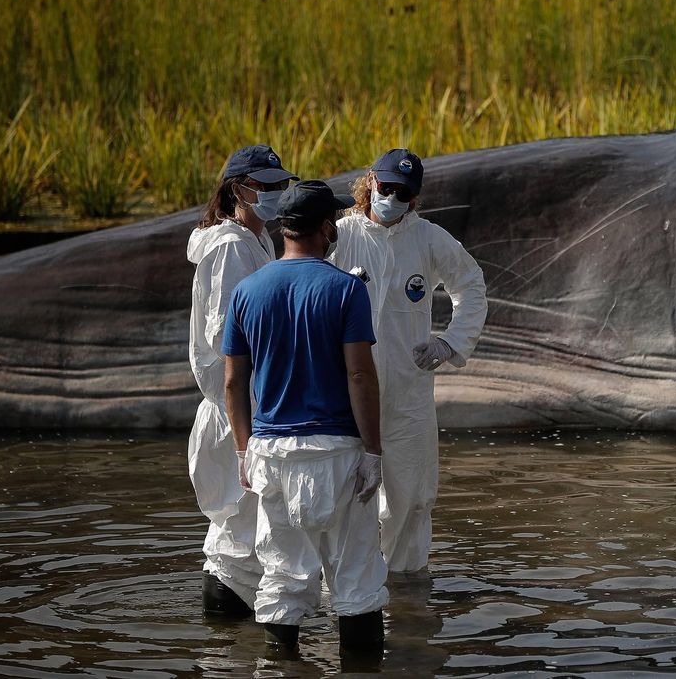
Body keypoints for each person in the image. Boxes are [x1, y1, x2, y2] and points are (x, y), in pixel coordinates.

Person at [222, 180, 389, 650]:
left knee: (282, 577)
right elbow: (360, 376)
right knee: (356, 581)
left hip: (271, 452)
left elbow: (233, 383)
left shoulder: (247, 292)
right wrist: (373, 452)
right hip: (336, 450)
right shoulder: (346, 290)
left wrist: (242, 450)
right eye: (332, 220)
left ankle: (280, 664)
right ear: (324, 228)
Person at [330, 148, 487, 573]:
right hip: (346, 393)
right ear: (370, 182)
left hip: (409, 394)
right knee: (346, 496)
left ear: (415, 198)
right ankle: (345, 598)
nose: (393, 198)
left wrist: (450, 343)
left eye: (404, 193)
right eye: (387, 187)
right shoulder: (340, 236)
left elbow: (471, 285)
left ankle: (406, 600)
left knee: (413, 498)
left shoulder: (429, 238)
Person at [186, 144, 295, 616]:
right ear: (238, 189)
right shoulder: (231, 246)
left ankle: (231, 641)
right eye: (264, 187)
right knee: (238, 524)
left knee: (247, 522)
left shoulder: (260, 240)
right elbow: (225, 333)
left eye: (280, 186)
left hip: (252, 398)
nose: (274, 195)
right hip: (235, 405)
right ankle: (225, 631)